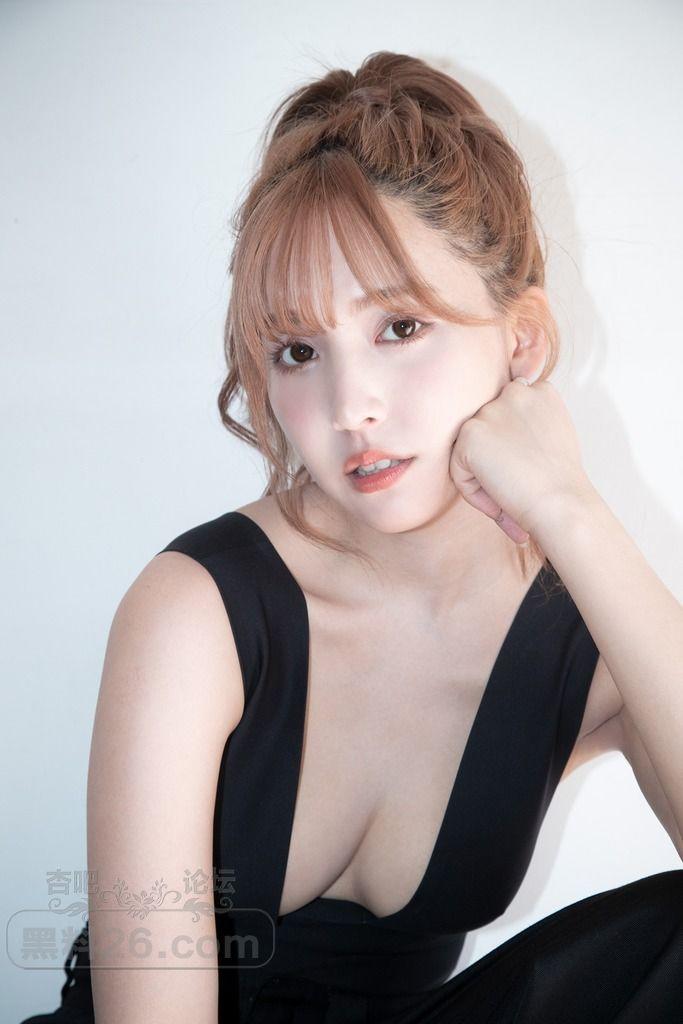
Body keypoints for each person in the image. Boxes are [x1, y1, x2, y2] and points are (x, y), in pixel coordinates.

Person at [22, 50, 683, 1024]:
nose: (349, 406)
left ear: (520, 339)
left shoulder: (585, 642)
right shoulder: (198, 613)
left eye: (399, 328)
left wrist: (570, 511)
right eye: (299, 350)